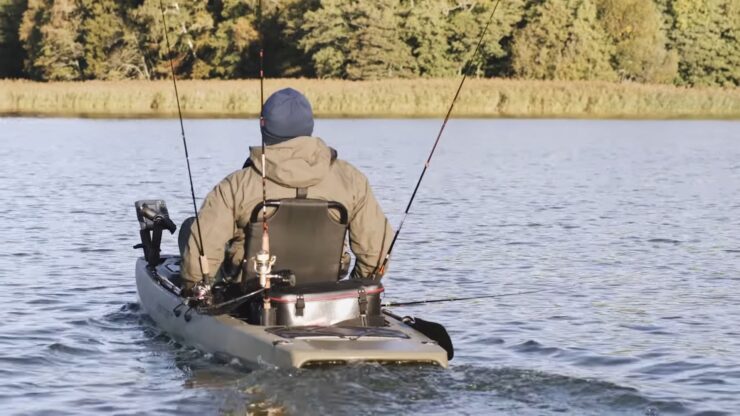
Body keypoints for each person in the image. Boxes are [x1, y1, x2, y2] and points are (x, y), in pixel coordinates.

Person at [181, 88, 393, 290]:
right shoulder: (352, 179)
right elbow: (376, 252)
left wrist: (198, 291)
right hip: (327, 290)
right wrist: (356, 292)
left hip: (248, 294)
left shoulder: (236, 185)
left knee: (191, 228)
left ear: (264, 126)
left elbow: (203, 250)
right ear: (309, 127)